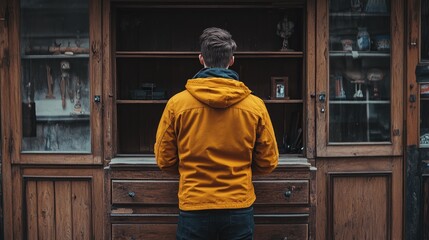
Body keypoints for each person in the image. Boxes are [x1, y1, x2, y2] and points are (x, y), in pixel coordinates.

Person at [154, 27, 279, 240]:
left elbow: (164, 160)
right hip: (238, 205)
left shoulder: (177, 104)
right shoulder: (255, 106)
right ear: (231, 60)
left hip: (194, 206)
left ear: (201, 59)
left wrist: (191, 172)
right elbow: (268, 162)